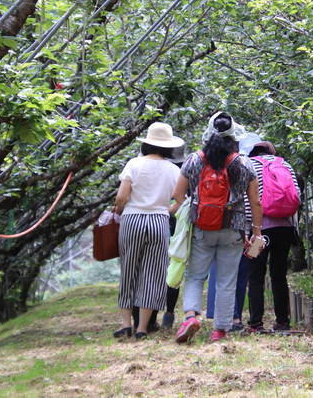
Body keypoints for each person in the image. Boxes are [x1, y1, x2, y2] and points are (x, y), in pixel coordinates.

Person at [169, 111, 263, 343]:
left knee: (195, 275)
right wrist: (257, 232)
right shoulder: (243, 163)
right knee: (226, 280)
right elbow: (256, 201)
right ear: (234, 136)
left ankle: (191, 316)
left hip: (201, 227)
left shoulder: (195, 159)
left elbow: (177, 195)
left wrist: (195, 206)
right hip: (234, 228)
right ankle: (220, 330)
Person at [114, 122, 183, 340]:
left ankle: (126, 324)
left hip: (132, 219)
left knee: (129, 270)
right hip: (159, 222)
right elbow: (181, 201)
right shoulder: (174, 170)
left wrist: (120, 209)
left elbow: (122, 196)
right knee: (153, 274)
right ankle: (143, 328)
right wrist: (166, 210)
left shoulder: (133, 164)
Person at [246, 141, 301, 332]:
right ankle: (282, 322)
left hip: (258, 232)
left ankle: (255, 323)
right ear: (272, 151)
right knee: (279, 274)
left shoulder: (249, 165)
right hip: (284, 229)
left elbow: (249, 201)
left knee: (255, 274)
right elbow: (297, 196)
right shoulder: (285, 165)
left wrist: (250, 229)